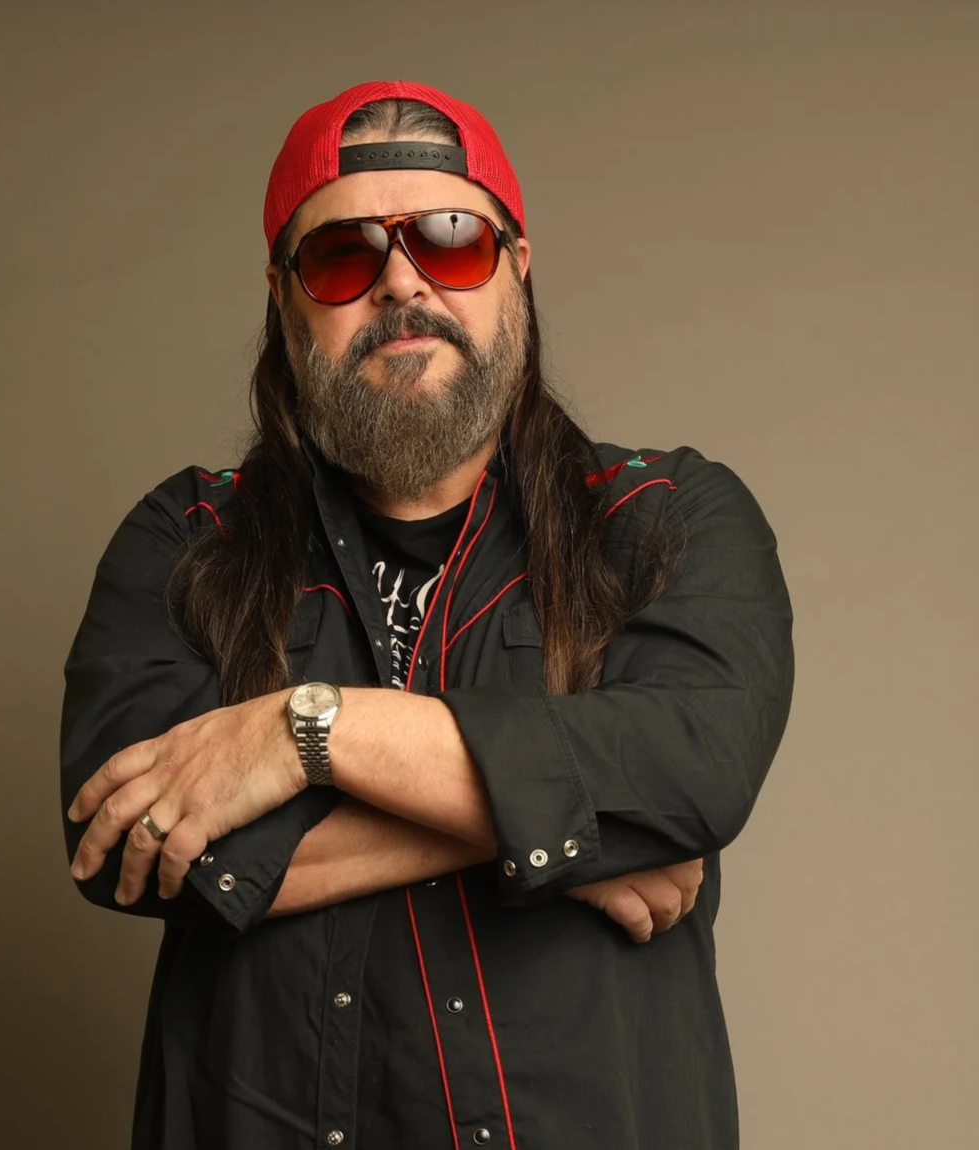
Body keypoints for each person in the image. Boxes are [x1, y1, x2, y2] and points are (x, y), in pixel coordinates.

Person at [60, 80, 793, 1150]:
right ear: (284, 293)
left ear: (516, 269)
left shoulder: (668, 518)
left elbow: (694, 768)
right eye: (343, 254)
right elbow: (125, 841)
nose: (401, 282)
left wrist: (297, 732)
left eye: (450, 240)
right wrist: (570, 825)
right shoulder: (187, 540)